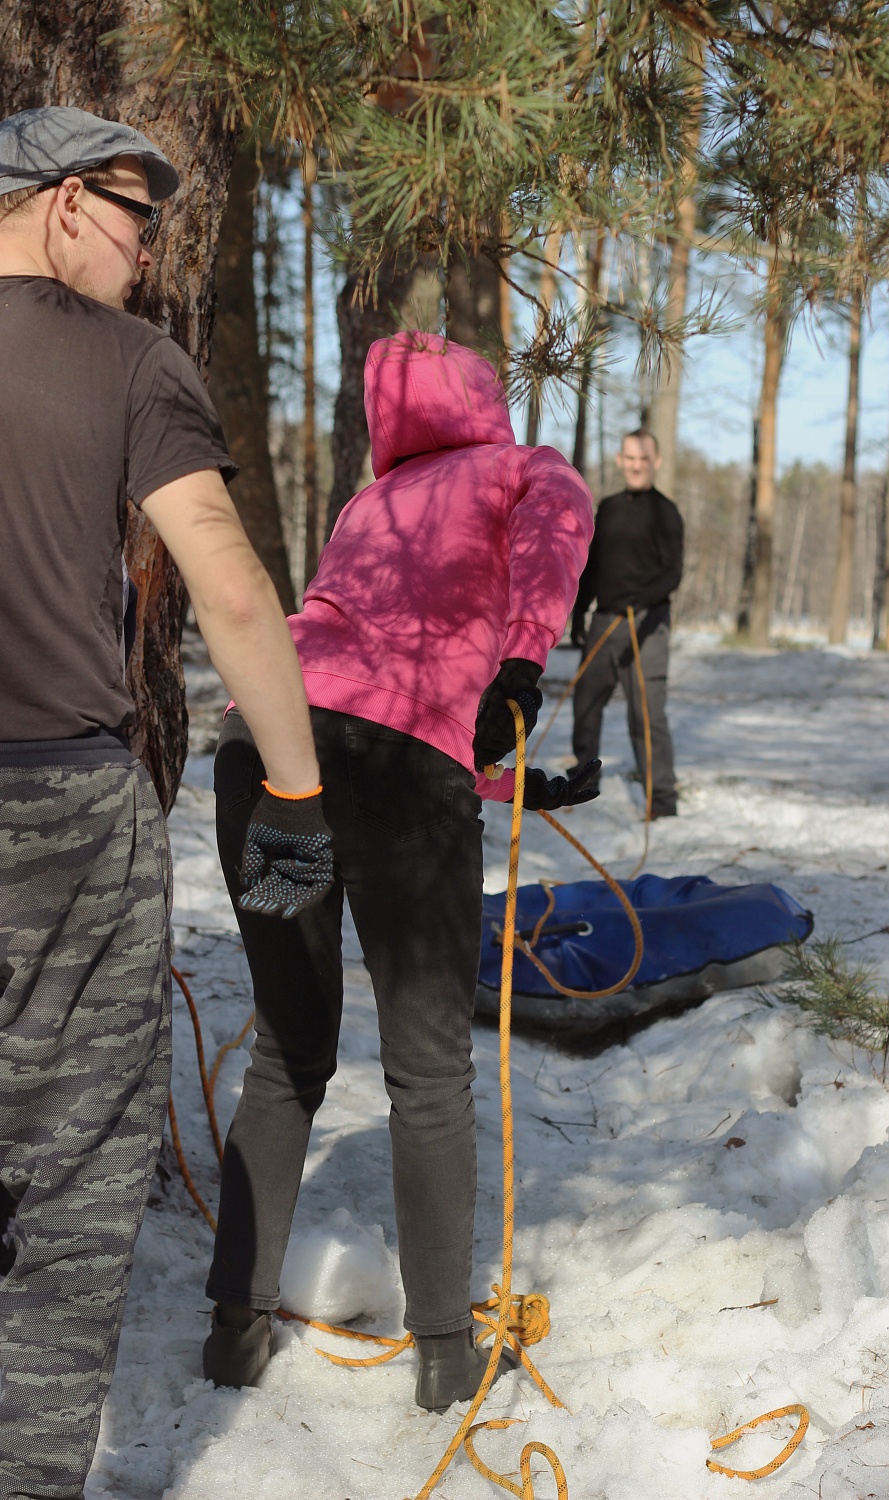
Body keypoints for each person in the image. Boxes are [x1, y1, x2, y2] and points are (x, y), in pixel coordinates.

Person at [0, 105, 333, 1500]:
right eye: (140, 225)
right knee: (72, 1183)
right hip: (65, 813)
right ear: (69, 204)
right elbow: (234, 588)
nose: (148, 258)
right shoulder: (134, 364)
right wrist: (299, 798)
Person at [202, 330, 599, 1412]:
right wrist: (522, 663)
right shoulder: (527, 469)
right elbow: (559, 536)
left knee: (287, 1051)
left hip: (265, 758)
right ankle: (440, 1357)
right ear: (487, 400)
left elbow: (352, 697)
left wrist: (511, 787)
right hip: (395, 779)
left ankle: (232, 1332)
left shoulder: (365, 510)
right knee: (429, 1069)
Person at [570, 428, 684, 818]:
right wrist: (580, 611)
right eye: (630, 458)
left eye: (644, 459)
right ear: (621, 460)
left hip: (648, 622)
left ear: (656, 462)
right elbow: (593, 565)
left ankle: (662, 800)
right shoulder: (608, 508)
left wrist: (643, 602)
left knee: (645, 713)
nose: (636, 465)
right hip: (605, 620)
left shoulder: (665, 512)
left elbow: (673, 574)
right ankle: (583, 784)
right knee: (585, 702)